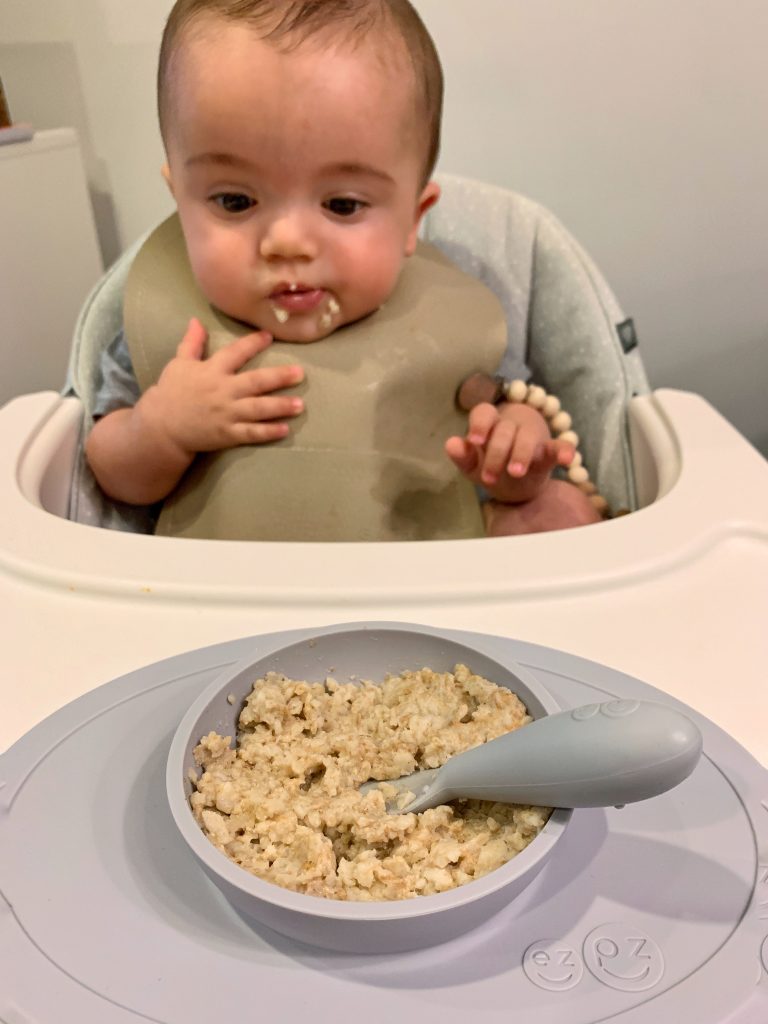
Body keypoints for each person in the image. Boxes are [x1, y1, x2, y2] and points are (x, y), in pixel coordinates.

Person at [85, 0, 601, 540]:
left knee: (562, 512)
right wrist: (161, 429)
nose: (287, 242)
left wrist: (514, 458)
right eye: (235, 201)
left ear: (412, 220)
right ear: (180, 199)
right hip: (229, 606)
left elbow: (508, 420)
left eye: (343, 206)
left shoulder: (451, 319)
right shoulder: (172, 329)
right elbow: (112, 477)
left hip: (426, 595)